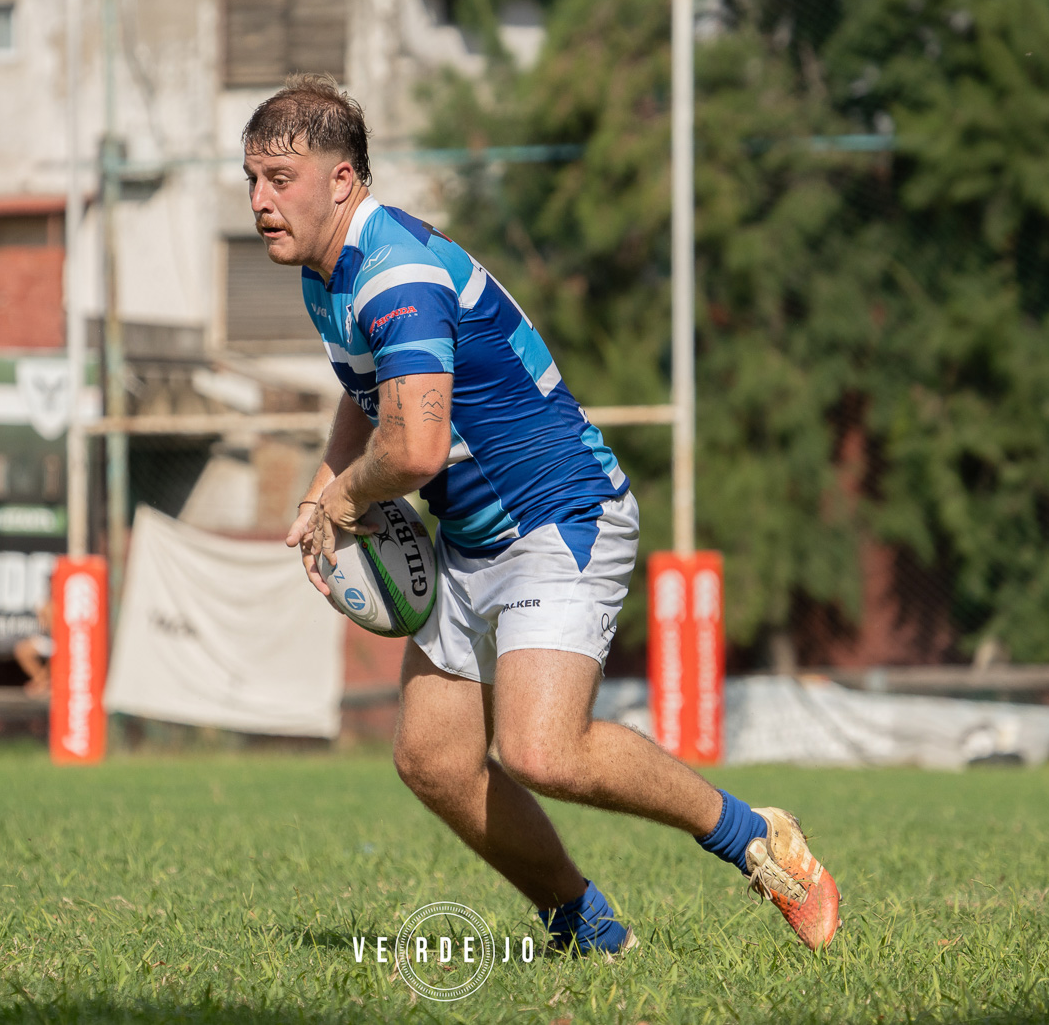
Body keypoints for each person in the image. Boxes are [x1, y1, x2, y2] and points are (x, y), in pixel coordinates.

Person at [253, 75, 840, 954]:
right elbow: (367, 392)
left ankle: (755, 835)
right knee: (435, 760)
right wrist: (319, 489)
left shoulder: (396, 279)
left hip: (560, 514)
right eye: (252, 179)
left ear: (343, 182)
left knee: (541, 750)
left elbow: (413, 448)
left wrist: (346, 495)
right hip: (473, 537)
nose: (262, 200)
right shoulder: (328, 275)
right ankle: (588, 930)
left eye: (281, 179)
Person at [13, 604, 54, 698]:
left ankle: (43, 683)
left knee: (58, 656)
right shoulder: (46, 604)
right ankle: (43, 682)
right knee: (22, 650)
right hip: (51, 639)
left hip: (65, 642)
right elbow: (45, 626)